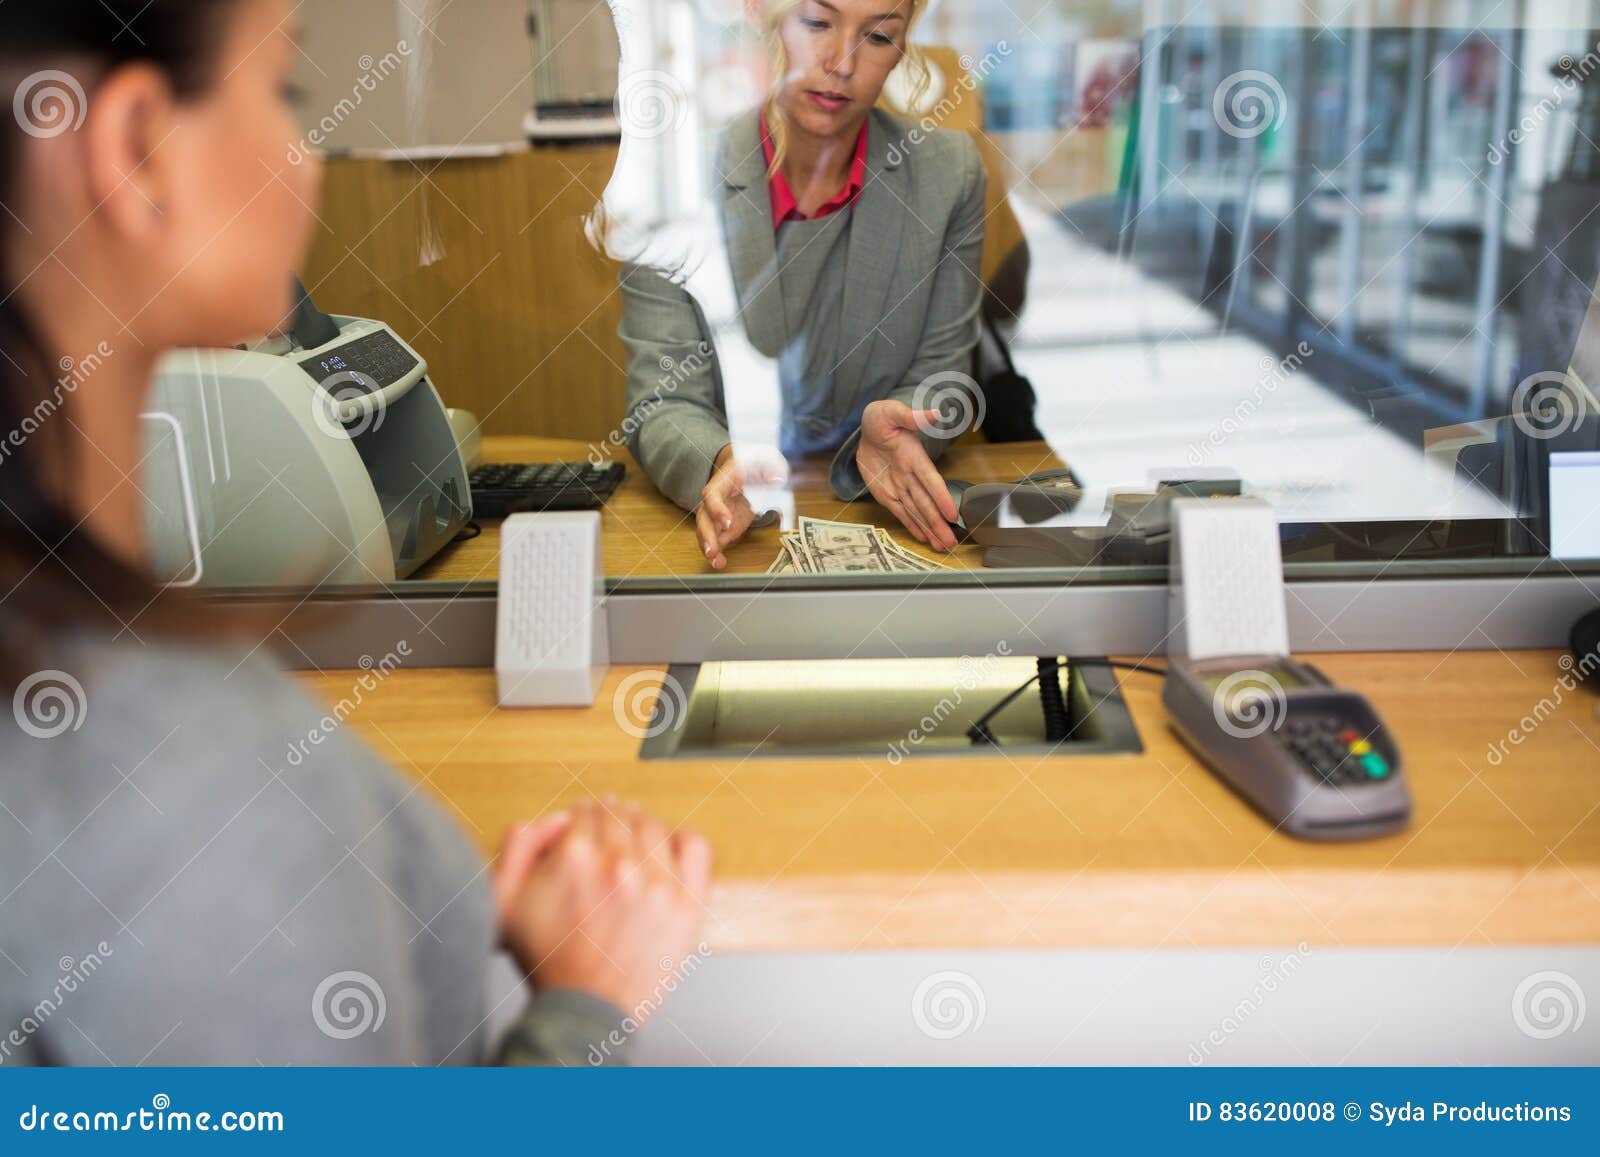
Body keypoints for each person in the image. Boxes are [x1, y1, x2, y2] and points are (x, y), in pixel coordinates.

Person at [0, 0, 709, 1066]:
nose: (307, 155)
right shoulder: (196, 789)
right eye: (283, 90)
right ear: (139, 149)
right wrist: (584, 1007)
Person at [617, 0, 987, 569]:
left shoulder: (949, 172)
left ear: (902, 50)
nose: (841, 62)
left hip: (871, 513)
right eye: (817, 24)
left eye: (879, 37)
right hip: (745, 534)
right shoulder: (672, 179)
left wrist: (907, 423)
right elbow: (664, 401)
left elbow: (946, 375)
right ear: (766, 19)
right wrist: (719, 459)